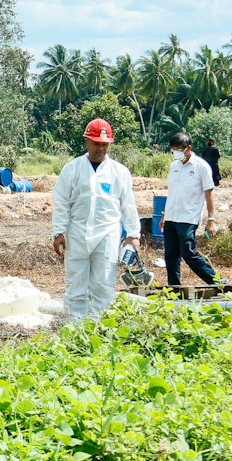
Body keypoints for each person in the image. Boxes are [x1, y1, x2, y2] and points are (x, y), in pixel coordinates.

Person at [52, 118, 141, 318]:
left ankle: (98, 328)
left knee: (103, 284)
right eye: (96, 143)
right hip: (77, 232)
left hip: (107, 233)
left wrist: (133, 235)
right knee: (75, 284)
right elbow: (61, 202)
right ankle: (75, 328)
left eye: (104, 144)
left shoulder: (119, 172)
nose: (101, 148)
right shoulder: (72, 169)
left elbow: (128, 204)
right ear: (87, 142)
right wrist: (59, 231)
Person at [161, 132, 226, 288]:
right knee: (171, 255)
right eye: (173, 149)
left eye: (178, 149)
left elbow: (209, 192)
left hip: (188, 217)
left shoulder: (201, 166)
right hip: (171, 216)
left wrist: (211, 219)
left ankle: (217, 281)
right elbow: (172, 192)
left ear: (188, 148)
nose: (175, 153)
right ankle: (174, 287)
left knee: (188, 252)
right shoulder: (174, 166)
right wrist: (164, 214)